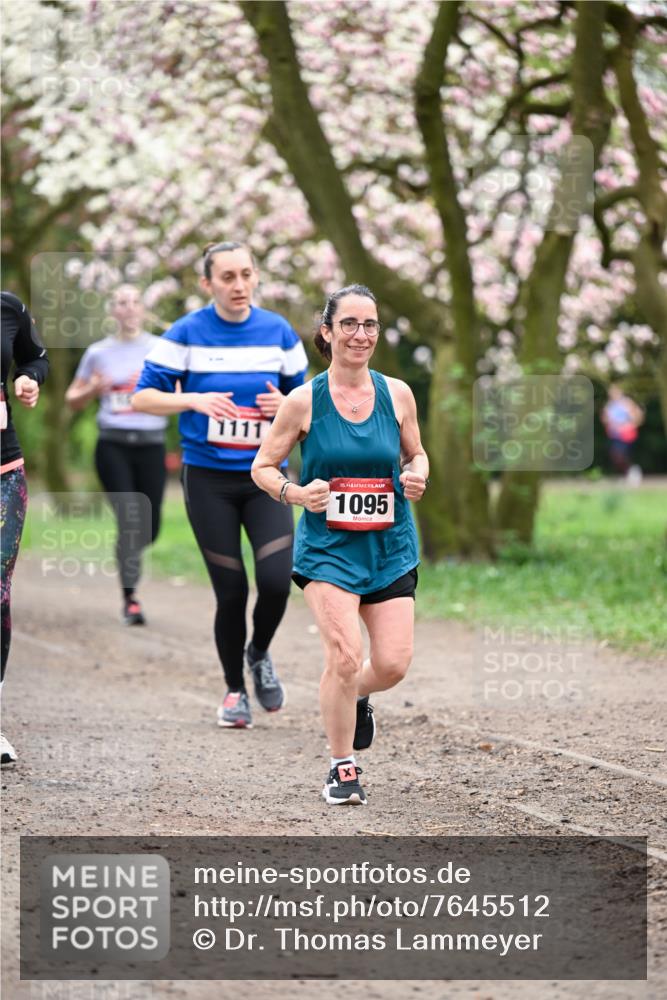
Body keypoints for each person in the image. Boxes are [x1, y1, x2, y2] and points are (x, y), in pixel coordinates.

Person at [251, 283, 428, 805]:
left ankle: (357, 697)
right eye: (348, 323)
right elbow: (262, 466)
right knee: (346, 655)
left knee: (392, 664)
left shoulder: (398, 394)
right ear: (327, 332)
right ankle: (341, 766)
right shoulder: (303, 400)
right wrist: (295, 492)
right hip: (328, 549)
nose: (360, 334)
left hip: (390, 544)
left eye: (369, 324)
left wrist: (417, 474)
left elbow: (416, 455)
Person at [132, 242, 308, 729]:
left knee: (275, 582)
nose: (238, 285)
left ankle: (259, 652)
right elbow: (142, 397)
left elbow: (310, 397)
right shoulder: (187, 332)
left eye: (246, 274)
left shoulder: (278, 331)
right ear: (207, 283)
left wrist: (287, 407)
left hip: (265, 476)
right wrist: (193, 401)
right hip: (209, 479)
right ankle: (234, 691)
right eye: (227, 276)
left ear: (256, 278)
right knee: (231, 591)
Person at [65, 284, 167, 625]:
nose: (129, 308)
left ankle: (129, 559)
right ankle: (131, 597)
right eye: (122, 303)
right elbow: (72, 399)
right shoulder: (98, 352)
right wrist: (94, 388)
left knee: (150, 527)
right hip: (113, 444)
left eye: (135, 301)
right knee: (130, 517)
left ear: (142, 309)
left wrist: (154, 389)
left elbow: (182, 390)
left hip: (152, 444)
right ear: (113, 311)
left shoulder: (160, 348)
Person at [1, 291, 49, 765]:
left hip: (2, 470)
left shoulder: (8, 308)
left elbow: (36, 358)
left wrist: (28, 379)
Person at [601, 383, 644, 483]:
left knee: (620, 455)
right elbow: (605, 418)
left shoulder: (626, 403)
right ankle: (630, 472)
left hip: (626, 434)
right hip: (615, 435)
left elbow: (638, 414)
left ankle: (632, 471)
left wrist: (631, 424)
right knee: (615, 456)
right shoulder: (609, 405)